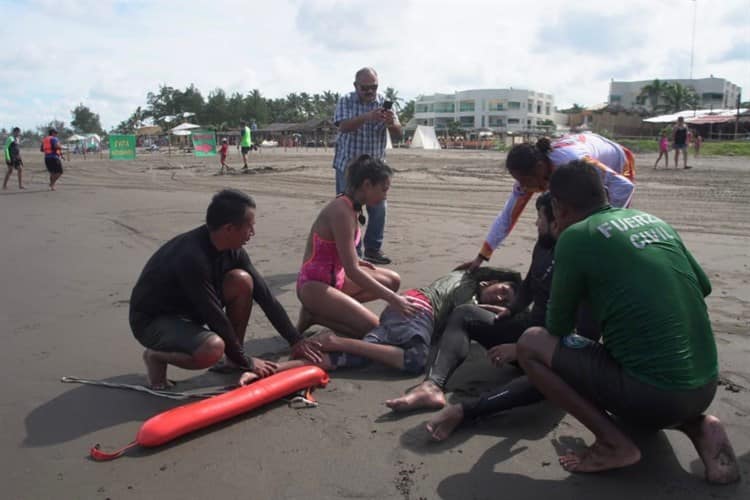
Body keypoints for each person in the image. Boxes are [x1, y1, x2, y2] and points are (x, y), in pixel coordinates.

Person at [515, 160, 739, 483]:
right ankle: (698, 426)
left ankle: (612, 443)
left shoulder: (575, 238)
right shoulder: (653, 220)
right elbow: (703, 286)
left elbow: (558, 328)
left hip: (653, 394)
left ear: (559, 208)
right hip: (705, 385)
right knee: (640, 375)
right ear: (605, 193)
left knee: (530, 344)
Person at [386, 194, 599, 440]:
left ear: (557, 221)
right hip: (531, 332)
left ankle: (465, 411)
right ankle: (432, 385)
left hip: (557, 353)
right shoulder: (543, 246)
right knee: (465, 314)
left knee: (548, 380)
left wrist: (521, 349)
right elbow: (530, 285)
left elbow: (581, 336)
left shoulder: (579, 261)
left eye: (540, 217)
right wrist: (512, 310)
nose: (536, 224)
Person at [129, 189, 323, 389]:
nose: (253, 233)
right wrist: (246, 361)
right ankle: (156, 357)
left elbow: (265, 296)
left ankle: (232, 359)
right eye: (250, 227)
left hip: (189, 311)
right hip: (152, 321)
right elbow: (213, 315)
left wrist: (295, 340)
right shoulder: (191, 257)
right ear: (229, 228)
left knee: (242, 281)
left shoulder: (233, 251)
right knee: (211, 349)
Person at [459, 133, 636, 271]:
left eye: (525, 180)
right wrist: (482, 256)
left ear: (539, 168)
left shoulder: (571, 161)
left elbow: (623, 187)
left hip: (618, 160)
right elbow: (507, 216)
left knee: (602, 229)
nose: (522, 186)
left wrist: (603, 228)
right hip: (574, 163)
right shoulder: (530, 176)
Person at [296, 155, 424, 339]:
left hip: (337, 280)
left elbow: (343, 255)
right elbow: (352, 270)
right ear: (367, 185)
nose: (385, 196)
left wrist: (359, 261)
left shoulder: (352, 206)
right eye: (383, 190)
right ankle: (316, 315)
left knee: (392, 280)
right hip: (314, 286)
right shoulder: (340, 211)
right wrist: (394, 299)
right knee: (375, 331)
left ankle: (332, 311)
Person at [313, 268, 521, 374]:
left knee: (364, 355)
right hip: (419, 310)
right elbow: (463, 313)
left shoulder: (464, 278)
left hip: (403, 311)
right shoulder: (467, 283)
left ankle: (293, 364)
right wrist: (501, 311)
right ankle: (336, 341)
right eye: (502, 290)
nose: (499, 298)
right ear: (491, 281)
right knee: (415, 359)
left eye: (505, 300)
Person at [333, 67, 402, 265]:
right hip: (348, 167)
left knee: (379, 208)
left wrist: (391, 123)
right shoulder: (346, 100)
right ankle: (352, 252)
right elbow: (344, 126)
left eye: (374, 87)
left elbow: (398, 134)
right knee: (348, 209)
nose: (370, 92)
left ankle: (373, 248)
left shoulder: (384, 104)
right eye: (365, 88)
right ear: (356, 86)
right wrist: (367, 117)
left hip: (376, 168)